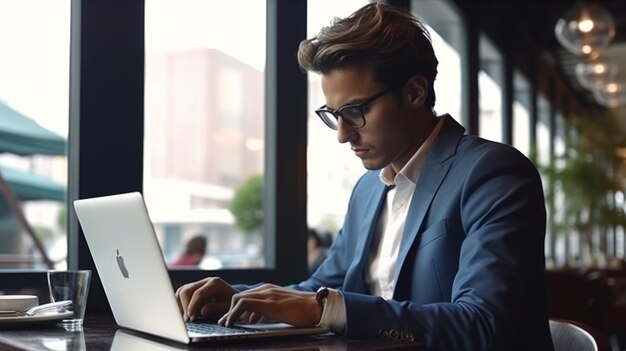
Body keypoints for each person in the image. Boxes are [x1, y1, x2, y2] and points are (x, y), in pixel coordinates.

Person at [176, 3, 554, 350]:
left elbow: (484, 326)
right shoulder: (368, 190)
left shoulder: (494, 174)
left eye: (355, 111)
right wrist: (238, 297)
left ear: (415, 92)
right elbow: (318, 291)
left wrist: (328, 308)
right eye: (333, 114)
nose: (342, 134)